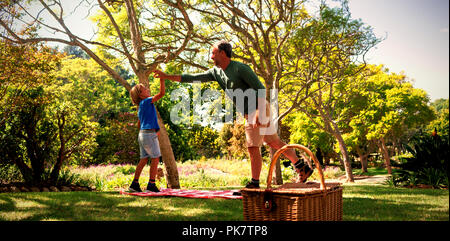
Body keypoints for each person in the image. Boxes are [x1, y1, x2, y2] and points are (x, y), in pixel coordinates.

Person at [153, 40, 313, 188]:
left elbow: (261, 89)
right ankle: (301, 167)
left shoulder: (240, 68)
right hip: (251, 111)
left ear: (223, 53)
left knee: (252, 146)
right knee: (273, 142)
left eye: (213, 53)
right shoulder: (216, 72)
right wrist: (167, 77)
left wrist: (258, 111)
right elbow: (194, 77)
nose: (211, 56)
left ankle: (255, 182)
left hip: (257, 108)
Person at [128, 78, 165, 193]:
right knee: (155, 158)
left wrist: (152, 131)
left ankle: (134, 184)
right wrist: (162, 80)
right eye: (144, 88)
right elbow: (161, 94)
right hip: (148, 134)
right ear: (140, 94)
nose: (147, 89)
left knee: (143, 159)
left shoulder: (140, 107)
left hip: (142, 134)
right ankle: (151, 185)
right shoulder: (147, 101)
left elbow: (140, 123)